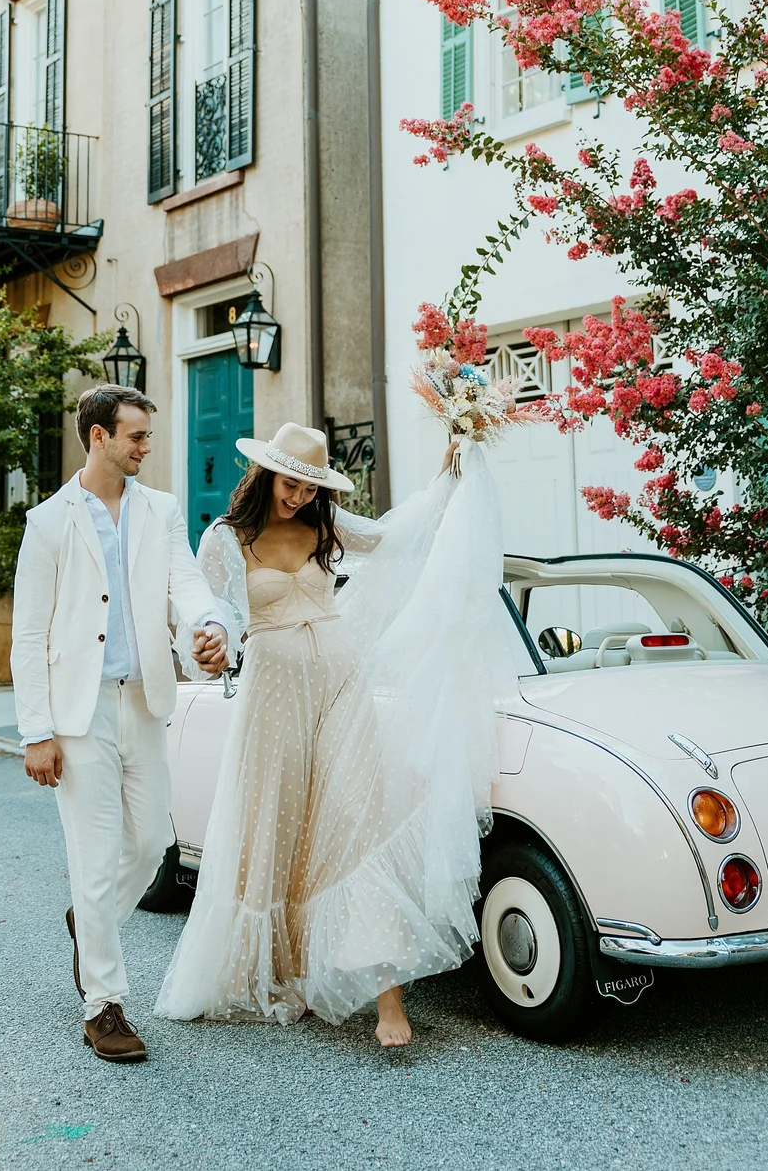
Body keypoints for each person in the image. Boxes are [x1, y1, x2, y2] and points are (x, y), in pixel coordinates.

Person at [156, 422, 508, 1048]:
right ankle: (283, 967)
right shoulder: (227, 538)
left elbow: (397, 538)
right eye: (290, 483)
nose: (297, 496)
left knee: (356, 817)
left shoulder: (326, 525)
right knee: (278, 821)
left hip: (343, 682)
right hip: (273, 695)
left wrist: (447, 476)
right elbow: (203, 615)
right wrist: (206, 647)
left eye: (309, 486)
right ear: (266, 473)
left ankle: (388, 998)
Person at [11, 385, 228, 1063]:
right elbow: (28, 633)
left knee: (152, 841)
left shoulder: (159, 510)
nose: (146, 447)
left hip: (143, 700)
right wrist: (35, 730)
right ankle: (103, 1005)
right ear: (99, 437)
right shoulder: (49, 522)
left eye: (147, 435)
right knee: (95, 855)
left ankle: (90, 918)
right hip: (78, 713)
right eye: (136, 436)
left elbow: (184, 581)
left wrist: (209, 623)